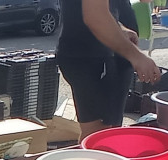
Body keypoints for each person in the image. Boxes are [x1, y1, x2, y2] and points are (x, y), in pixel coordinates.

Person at [57, 0, 162, 140]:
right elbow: (95, 15)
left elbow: (95, 9)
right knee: (99, 135)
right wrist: (136, 56)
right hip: (90, 56)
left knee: (109, 132)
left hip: (106, 53)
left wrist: (119, 27)